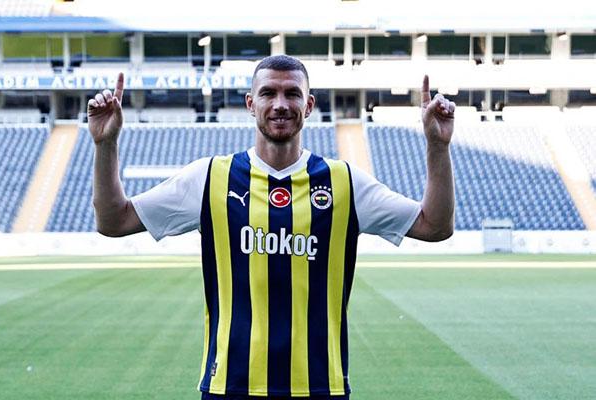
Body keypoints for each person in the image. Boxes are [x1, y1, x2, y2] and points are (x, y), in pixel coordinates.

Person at [88, 55, 455, 400]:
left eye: (292, 93)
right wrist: (106, 144)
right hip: (230, 385)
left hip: (318, 386)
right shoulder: (210, 177)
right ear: (251, 104)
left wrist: (437, 146)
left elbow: (435, 226)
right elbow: (113, 220)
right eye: (268, 93)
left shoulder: (344, 182)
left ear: (309, 105)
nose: (280, 104)